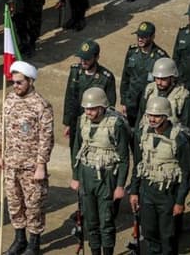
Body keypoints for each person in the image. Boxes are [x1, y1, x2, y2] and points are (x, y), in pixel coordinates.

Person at [0, 61, 54, 255]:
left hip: (31, 167)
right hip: (11, 163)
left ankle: (33, 244)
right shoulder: (9, 99)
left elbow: (47, 138)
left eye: (20, 82)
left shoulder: (41, 105)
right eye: (14, 82)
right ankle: (19, 240)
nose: (15, 86)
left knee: (34, 205)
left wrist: (41, 165)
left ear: (30, 81)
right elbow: (1, 129)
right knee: (14, 203)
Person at [130, 97, 190, 254]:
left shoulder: (179, 138)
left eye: (157, 116)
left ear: (166, 116)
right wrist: (134, 192)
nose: (152, 119)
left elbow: (187, 173)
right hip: (147, 192)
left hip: (168, 195)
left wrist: (179, 201)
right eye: (150, 115)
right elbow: (138, 165)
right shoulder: (142, 134)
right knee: (150, 234)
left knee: (168, 237)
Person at [71, 87, 130, 255]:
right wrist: (75, 176)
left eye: (92, 108)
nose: (88, 112)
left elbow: (124, 158)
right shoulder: (82, 121)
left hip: (107, 177)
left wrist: (120, 186)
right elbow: (77, 148)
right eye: (86, 108)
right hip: (86, 174)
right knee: (90, 221)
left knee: (106, 221)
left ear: (102, 107)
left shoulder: (115, 124)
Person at [63, 39, 116, 154]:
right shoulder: (75, 71)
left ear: (96, 58)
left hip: (95, 123)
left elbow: (110, 105)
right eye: (81, 58)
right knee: (75, 153)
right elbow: (69, 98)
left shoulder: (106, 77)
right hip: (76, 122)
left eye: (87, 59)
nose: (83, 62)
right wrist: (67, 123)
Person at [120, 21, 168, 127]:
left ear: (152, 37)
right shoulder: (132, 52)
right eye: (138, 36)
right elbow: (125, 77)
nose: (140, 39)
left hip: (148, 102)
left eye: (144, 37)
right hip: (131, 101)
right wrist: (123, 101)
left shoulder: (160, 57)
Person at [136, 57, 190, 130]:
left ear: (172, 78)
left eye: (163, 79)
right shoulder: (150, 90)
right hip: (148, 136)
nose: (159, 82)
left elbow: (187, 126)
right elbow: (140, 116)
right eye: (157, 78)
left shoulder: (182, 95)